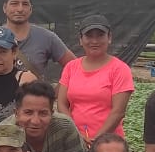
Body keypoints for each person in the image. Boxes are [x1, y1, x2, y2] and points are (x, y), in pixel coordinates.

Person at [58, 14, 135, 143]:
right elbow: (61, 104)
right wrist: (76, 134)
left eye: (100, 35)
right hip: (74, 141)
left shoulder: (120, 69)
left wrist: (96, 140)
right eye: (89, 36)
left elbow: (118, 111)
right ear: (81, 40)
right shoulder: (71, 67)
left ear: (109, 38)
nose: (94, 41)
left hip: (108, 143)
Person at [0, 0, 75, 81]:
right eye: (14, 4)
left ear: (30, 9)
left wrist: (58, 91)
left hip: (34, 95)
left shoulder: (47, 37)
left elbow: (75, 67)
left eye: (25, 4)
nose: (20, 9)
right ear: (5, 8)